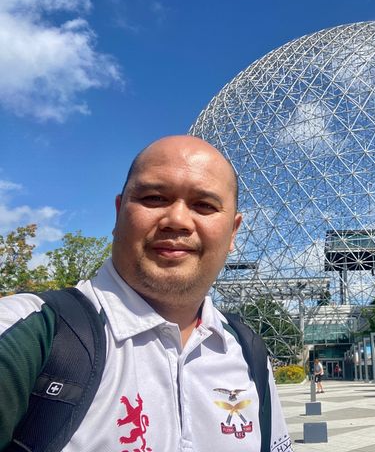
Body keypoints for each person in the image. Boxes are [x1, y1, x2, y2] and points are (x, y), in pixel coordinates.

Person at [0, 136, 292, 451]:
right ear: (118, 212)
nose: (177, 220)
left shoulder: (248, 352)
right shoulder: (28, 335)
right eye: (154, 198)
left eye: (204, 205)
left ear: (233, 231)